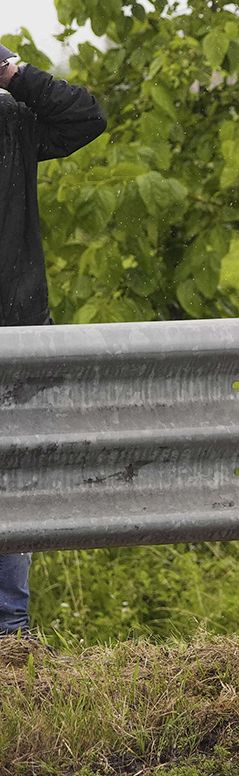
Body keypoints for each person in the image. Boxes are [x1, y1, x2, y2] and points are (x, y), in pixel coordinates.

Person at [0, 45, 107, 637]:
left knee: (11, 474)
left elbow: (85, 118)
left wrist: (13, 73)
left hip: (16, 327)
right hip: (18, 324)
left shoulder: (10, 120)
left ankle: (9, 632)